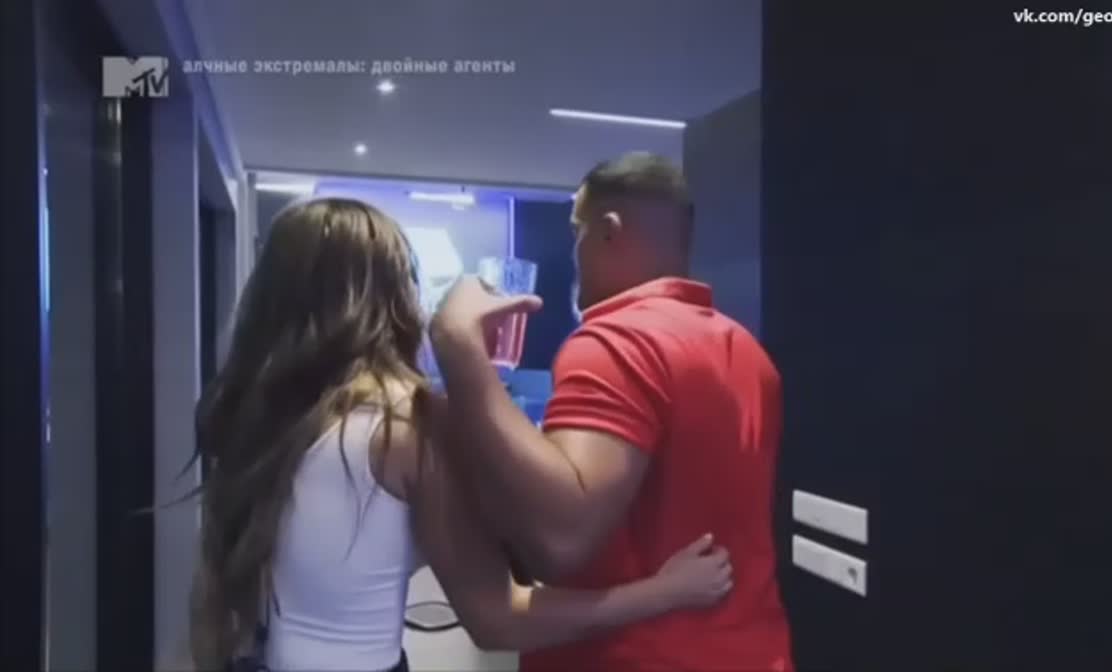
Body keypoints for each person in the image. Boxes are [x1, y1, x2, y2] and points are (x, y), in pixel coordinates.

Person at [186, 197, 734, 672]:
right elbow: (499, 620)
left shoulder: (252, 415)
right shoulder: (408, 421)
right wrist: (665, 591)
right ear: (397, 294)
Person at [429, 152, 794, 671]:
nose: (574, 250)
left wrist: (459, 348)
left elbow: (558, 542)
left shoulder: (614, 341)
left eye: (576, 231)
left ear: (608, 231)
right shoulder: (748, 351)